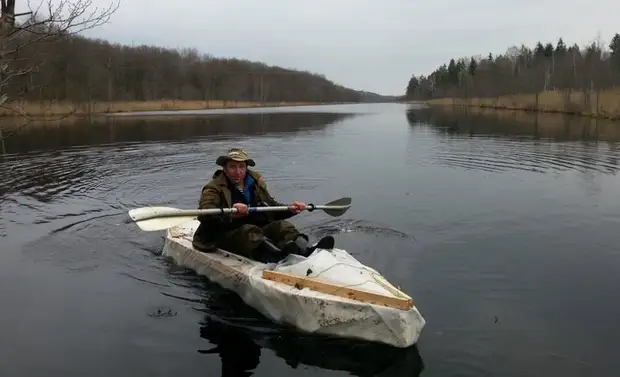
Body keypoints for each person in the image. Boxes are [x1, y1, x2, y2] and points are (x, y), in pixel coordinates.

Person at [192, 147, 314, 262]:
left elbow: (271, 207)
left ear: (246, 168)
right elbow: (205, 213)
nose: (238, 171)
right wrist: (231, 214)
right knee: (249, 231)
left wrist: (290, 210)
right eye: (232, 167)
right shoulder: (213, 188)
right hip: (225, 233)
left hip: (257, 230)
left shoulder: (255, 184)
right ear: (225, 168)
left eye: (241, 167)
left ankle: (304, 250)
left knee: (283, 226)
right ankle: (275, 256)